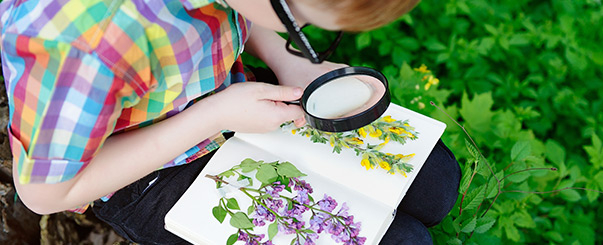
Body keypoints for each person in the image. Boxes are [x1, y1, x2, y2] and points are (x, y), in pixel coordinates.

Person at [0, 0, 460, 244]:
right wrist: (214, 116)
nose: (296, 31)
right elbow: (45, 193)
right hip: (144, 171)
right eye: (295, 20)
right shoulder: (81, 44)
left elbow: (246, 10)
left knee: (437, 181)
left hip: (226, 94)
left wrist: (287, 59)